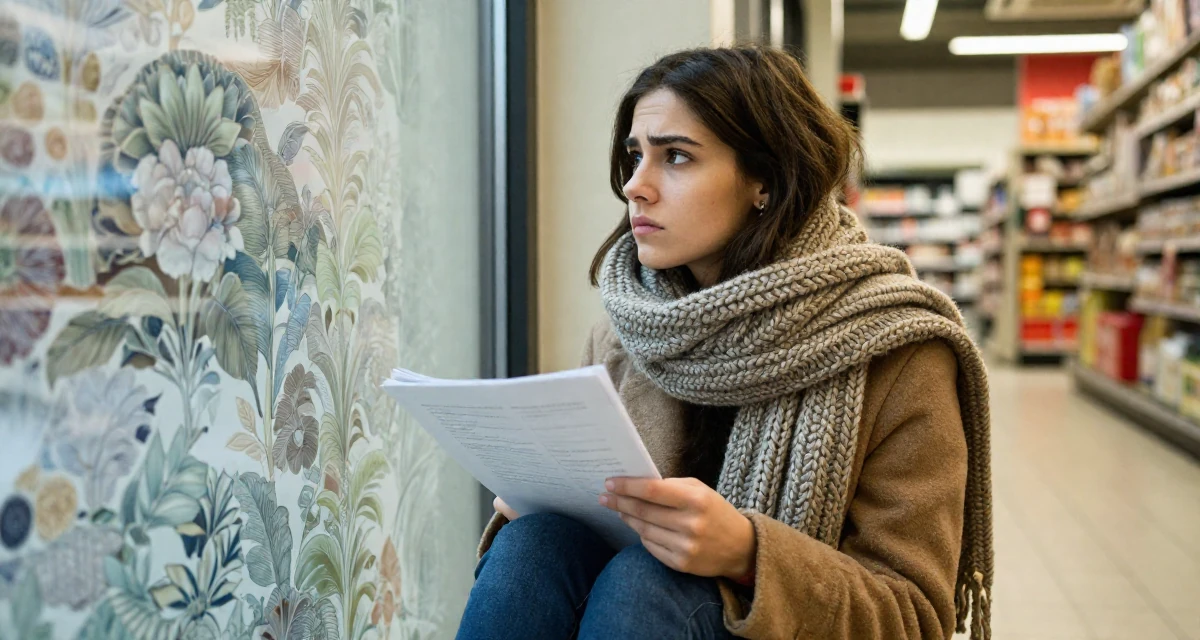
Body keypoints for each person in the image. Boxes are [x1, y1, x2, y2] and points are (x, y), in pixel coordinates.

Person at [456, 45, 992, 640]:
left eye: (676, 157)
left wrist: (749, 555)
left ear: (764, 180)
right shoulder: (629, 331)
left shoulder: (897, 349)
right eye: (636, 157)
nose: (636, 186)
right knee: (534, 545)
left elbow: (916, 616)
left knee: (648, 576)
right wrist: (539, 496)